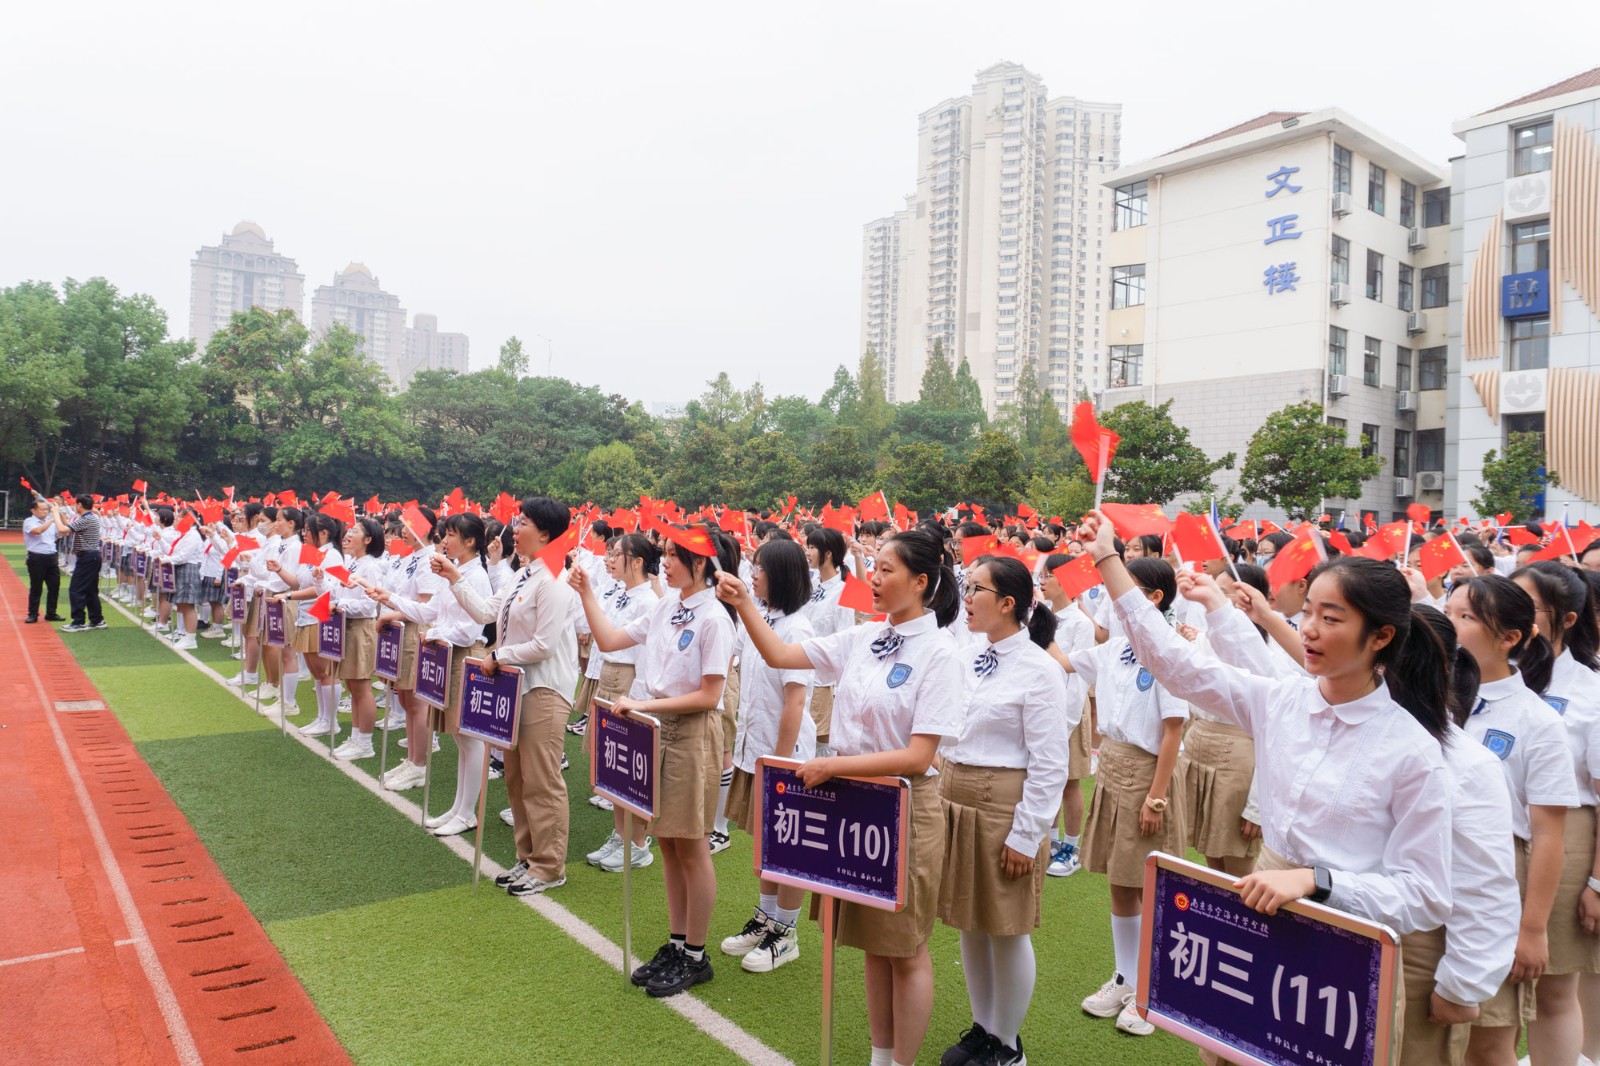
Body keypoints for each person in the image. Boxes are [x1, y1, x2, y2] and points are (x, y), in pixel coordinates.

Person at [1079, 511, 1456, 1055]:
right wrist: (1108, 559)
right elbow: (1175, 664)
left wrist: (1318, 882)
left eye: (1332, 618)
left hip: (1340, 959)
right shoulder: (1282, 699)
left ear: (1382, 637)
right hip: (1257, 920)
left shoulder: (1412, 749)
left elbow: (1425, 896)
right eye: (1307, 613)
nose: (1308, 630)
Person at [717, 527, 964, 1066]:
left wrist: (833, 764)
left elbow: (920, 756)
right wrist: (742, 603)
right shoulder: (864, 637)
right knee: (873, 945)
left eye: (886, 571)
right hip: (853, 807)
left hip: (903, 810)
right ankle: (881, 1056)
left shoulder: (941, 654)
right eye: (873, 568)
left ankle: (902, 1063)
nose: (872, 579)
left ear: (921, 582)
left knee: (906, 948)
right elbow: (782, 654)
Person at [575, 525, 737, 995]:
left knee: (691, 844)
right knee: (668, 842)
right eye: (663, 553)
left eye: (672, 555)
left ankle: (695, 954)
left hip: (689, 735)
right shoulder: (669, 604)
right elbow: (608, 640)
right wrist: (586, 592)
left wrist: (644, 705)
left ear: (700, 564)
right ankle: (677, 940)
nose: (662, 561)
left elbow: (709, 696)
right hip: (657, 730)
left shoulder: (714, 619)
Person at [937, 556, 1074, 1066]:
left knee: (1007, 926)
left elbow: (1049, 763)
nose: (966, 598)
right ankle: (983, 1027)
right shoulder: (970, 653)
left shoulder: (1040, 669)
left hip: (1004, 804)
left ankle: (1008, 1043)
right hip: (958, 796)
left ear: (1008, 603)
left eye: (975, 589)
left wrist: (1027, 834)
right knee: (969, 921)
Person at [1445, 574, 1576, 1066]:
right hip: (1431, 870)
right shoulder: (1430, 700)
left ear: (1510, 638)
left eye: (1466, 617)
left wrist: (1533, 929)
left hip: (1498, 880)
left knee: (1489, 1038)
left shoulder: (1537, 721)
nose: (1450, 624)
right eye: (1448, 610)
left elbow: (1547, 834)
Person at [1055, 555, 1189, 1038]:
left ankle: (1152, 991)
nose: (1113, 595)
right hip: (1112, 768)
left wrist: (1156, 798)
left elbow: (1173, 731)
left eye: (1124, 586)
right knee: (1119, 880)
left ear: (1153, 598)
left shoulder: (1167, 651)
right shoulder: (1114, 649)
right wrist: (1039, 618)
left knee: (1148, 883)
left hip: (1146, 772)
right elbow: (1066, 662)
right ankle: (1125, 977)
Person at [453, 497, 580, 894]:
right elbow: (487, 611)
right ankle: (527, 857)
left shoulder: (555, 578)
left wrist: (499, 655)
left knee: (541, 779)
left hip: (544, 688)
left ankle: (549, 865)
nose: (513, 529)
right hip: (514, 686)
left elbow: (543, 644)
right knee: (516, 776)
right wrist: (453, 580)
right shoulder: (524, 573)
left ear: (544, 533)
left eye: (522, 522)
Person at [716, 538, 816, 974]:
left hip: (782, 756)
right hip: (753, 750)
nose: (752, 575)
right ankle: (766, 918)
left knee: (788, 845)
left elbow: (794, 703)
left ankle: (786, 931)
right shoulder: (759, 618)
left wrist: (779, 760)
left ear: (781, 575)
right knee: (768, 842)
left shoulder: (798, 629)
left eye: (759, 569)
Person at [376, 513, 494, 836]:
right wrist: (391, 600)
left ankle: (468, 811)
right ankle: (459, 807)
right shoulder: (451, 572)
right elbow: (430, 612)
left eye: (452, 534)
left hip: (463, 655)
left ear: (470, 541)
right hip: (447, 654)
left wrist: (440, 633)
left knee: (468, 738)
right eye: (445, 534)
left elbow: (472, 627)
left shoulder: (476, 576)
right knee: (459, 736)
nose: (445, 540)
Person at [55, 494, 105, 631]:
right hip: (91, 556)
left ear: (79, 505)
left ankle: (78, 621)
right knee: (90, 590)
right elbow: (68, 525)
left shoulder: (87, 519)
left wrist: (54, 513)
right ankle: (97, 620)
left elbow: (63, 530)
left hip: (88, 557)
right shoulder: (88, 518)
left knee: (76, 589)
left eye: (75, 504)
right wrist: (58, 512)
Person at [23, 496, 64, 623]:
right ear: (33, 511)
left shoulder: (50, 522)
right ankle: (33, 614)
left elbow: (62, 531)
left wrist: (58, 513)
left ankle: (51, 613)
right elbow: (37, 531)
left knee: (54, 586)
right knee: (36, 587)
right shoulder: (29, 521)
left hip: (51, 556)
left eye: (47, 509)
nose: (45, 512)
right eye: (42, 510)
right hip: (36, 557)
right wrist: (51, 520)